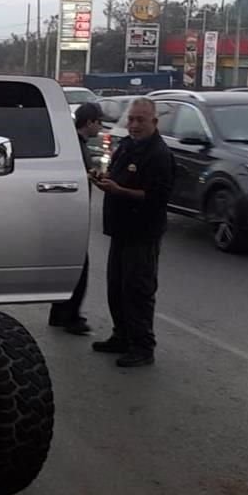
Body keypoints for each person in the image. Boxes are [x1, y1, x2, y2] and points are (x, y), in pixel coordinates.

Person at [90, 98, 176, 367]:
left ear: (154, 122)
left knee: (137, 290)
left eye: (141, 120)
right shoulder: (127, 145)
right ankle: (122, 336)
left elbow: (155, 197)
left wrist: (119, 191)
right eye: (132, 119)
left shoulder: (159, 154)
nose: (135, 125)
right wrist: (100, 177)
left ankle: (142, 346)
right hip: (120, 229)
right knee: (116, 287)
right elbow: (114, 174)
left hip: (143, 232)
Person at [48, 101, 102, 335]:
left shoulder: (74, 143)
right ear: (89, 122)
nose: (100, 127)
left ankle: (60, 314)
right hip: (72, 213)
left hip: (66, 212)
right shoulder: (77, 147)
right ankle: (71, 316)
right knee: (79, 265)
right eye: (99, 122)